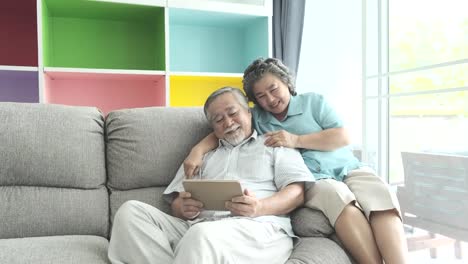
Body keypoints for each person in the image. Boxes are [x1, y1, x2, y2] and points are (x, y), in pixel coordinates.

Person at [184, 58, 409, 264]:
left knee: (381, 197)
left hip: (348, 167)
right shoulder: (259, 117)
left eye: (273, 89)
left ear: (286, 82)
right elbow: (226, 127)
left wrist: (296, 140)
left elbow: (342, 136)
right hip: (315, 179)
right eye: (261, 96)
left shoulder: (314, 102)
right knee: (339, 198)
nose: (270, 99)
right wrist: (197, 149)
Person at [108, 87, 314, 264]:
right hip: (199, 228)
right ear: (213, 128)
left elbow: (297, 193)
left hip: (258, 228)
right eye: (218, 119)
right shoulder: (200, 157)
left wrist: (259, 207)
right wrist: (184, 208)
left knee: (200, 236)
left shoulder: (274, 145)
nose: (228, 122)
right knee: (130, 212)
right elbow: (178, 204)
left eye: (233, 113)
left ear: (249, 113)